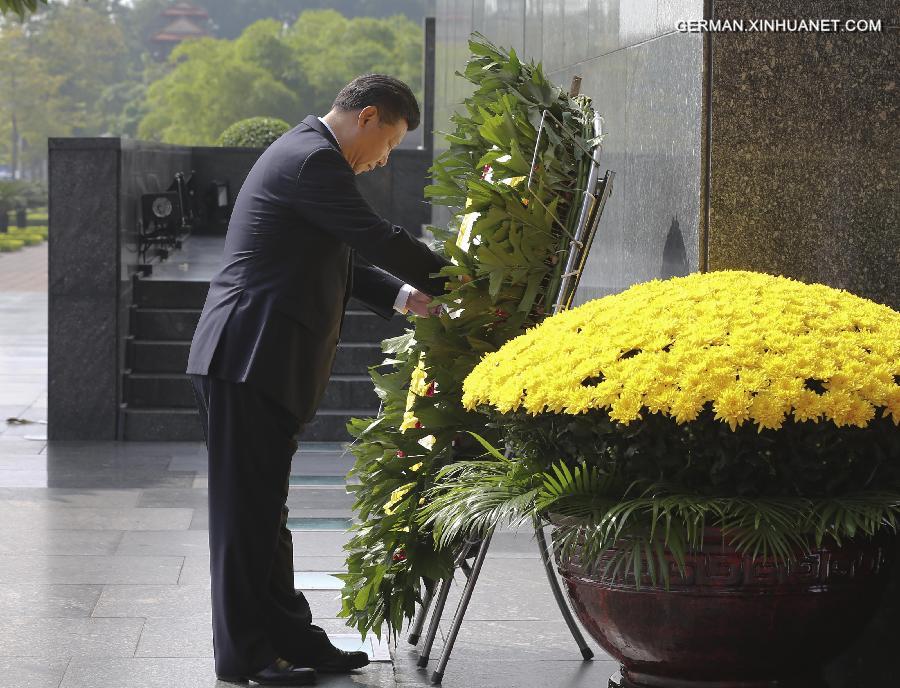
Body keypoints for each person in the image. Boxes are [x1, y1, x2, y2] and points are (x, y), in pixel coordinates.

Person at [186, 74, 451, 685]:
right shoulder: (313, 160)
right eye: (390, 141)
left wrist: (407, 296)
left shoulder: (306, 155)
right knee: (245, 517)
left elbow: (339, 255)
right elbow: (374, 237)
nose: (386, 157)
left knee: (263, 514)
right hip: (247, 358)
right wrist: (465, 280)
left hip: (259, 361)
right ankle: (245, 654)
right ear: (368, 116)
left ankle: (290, 638)